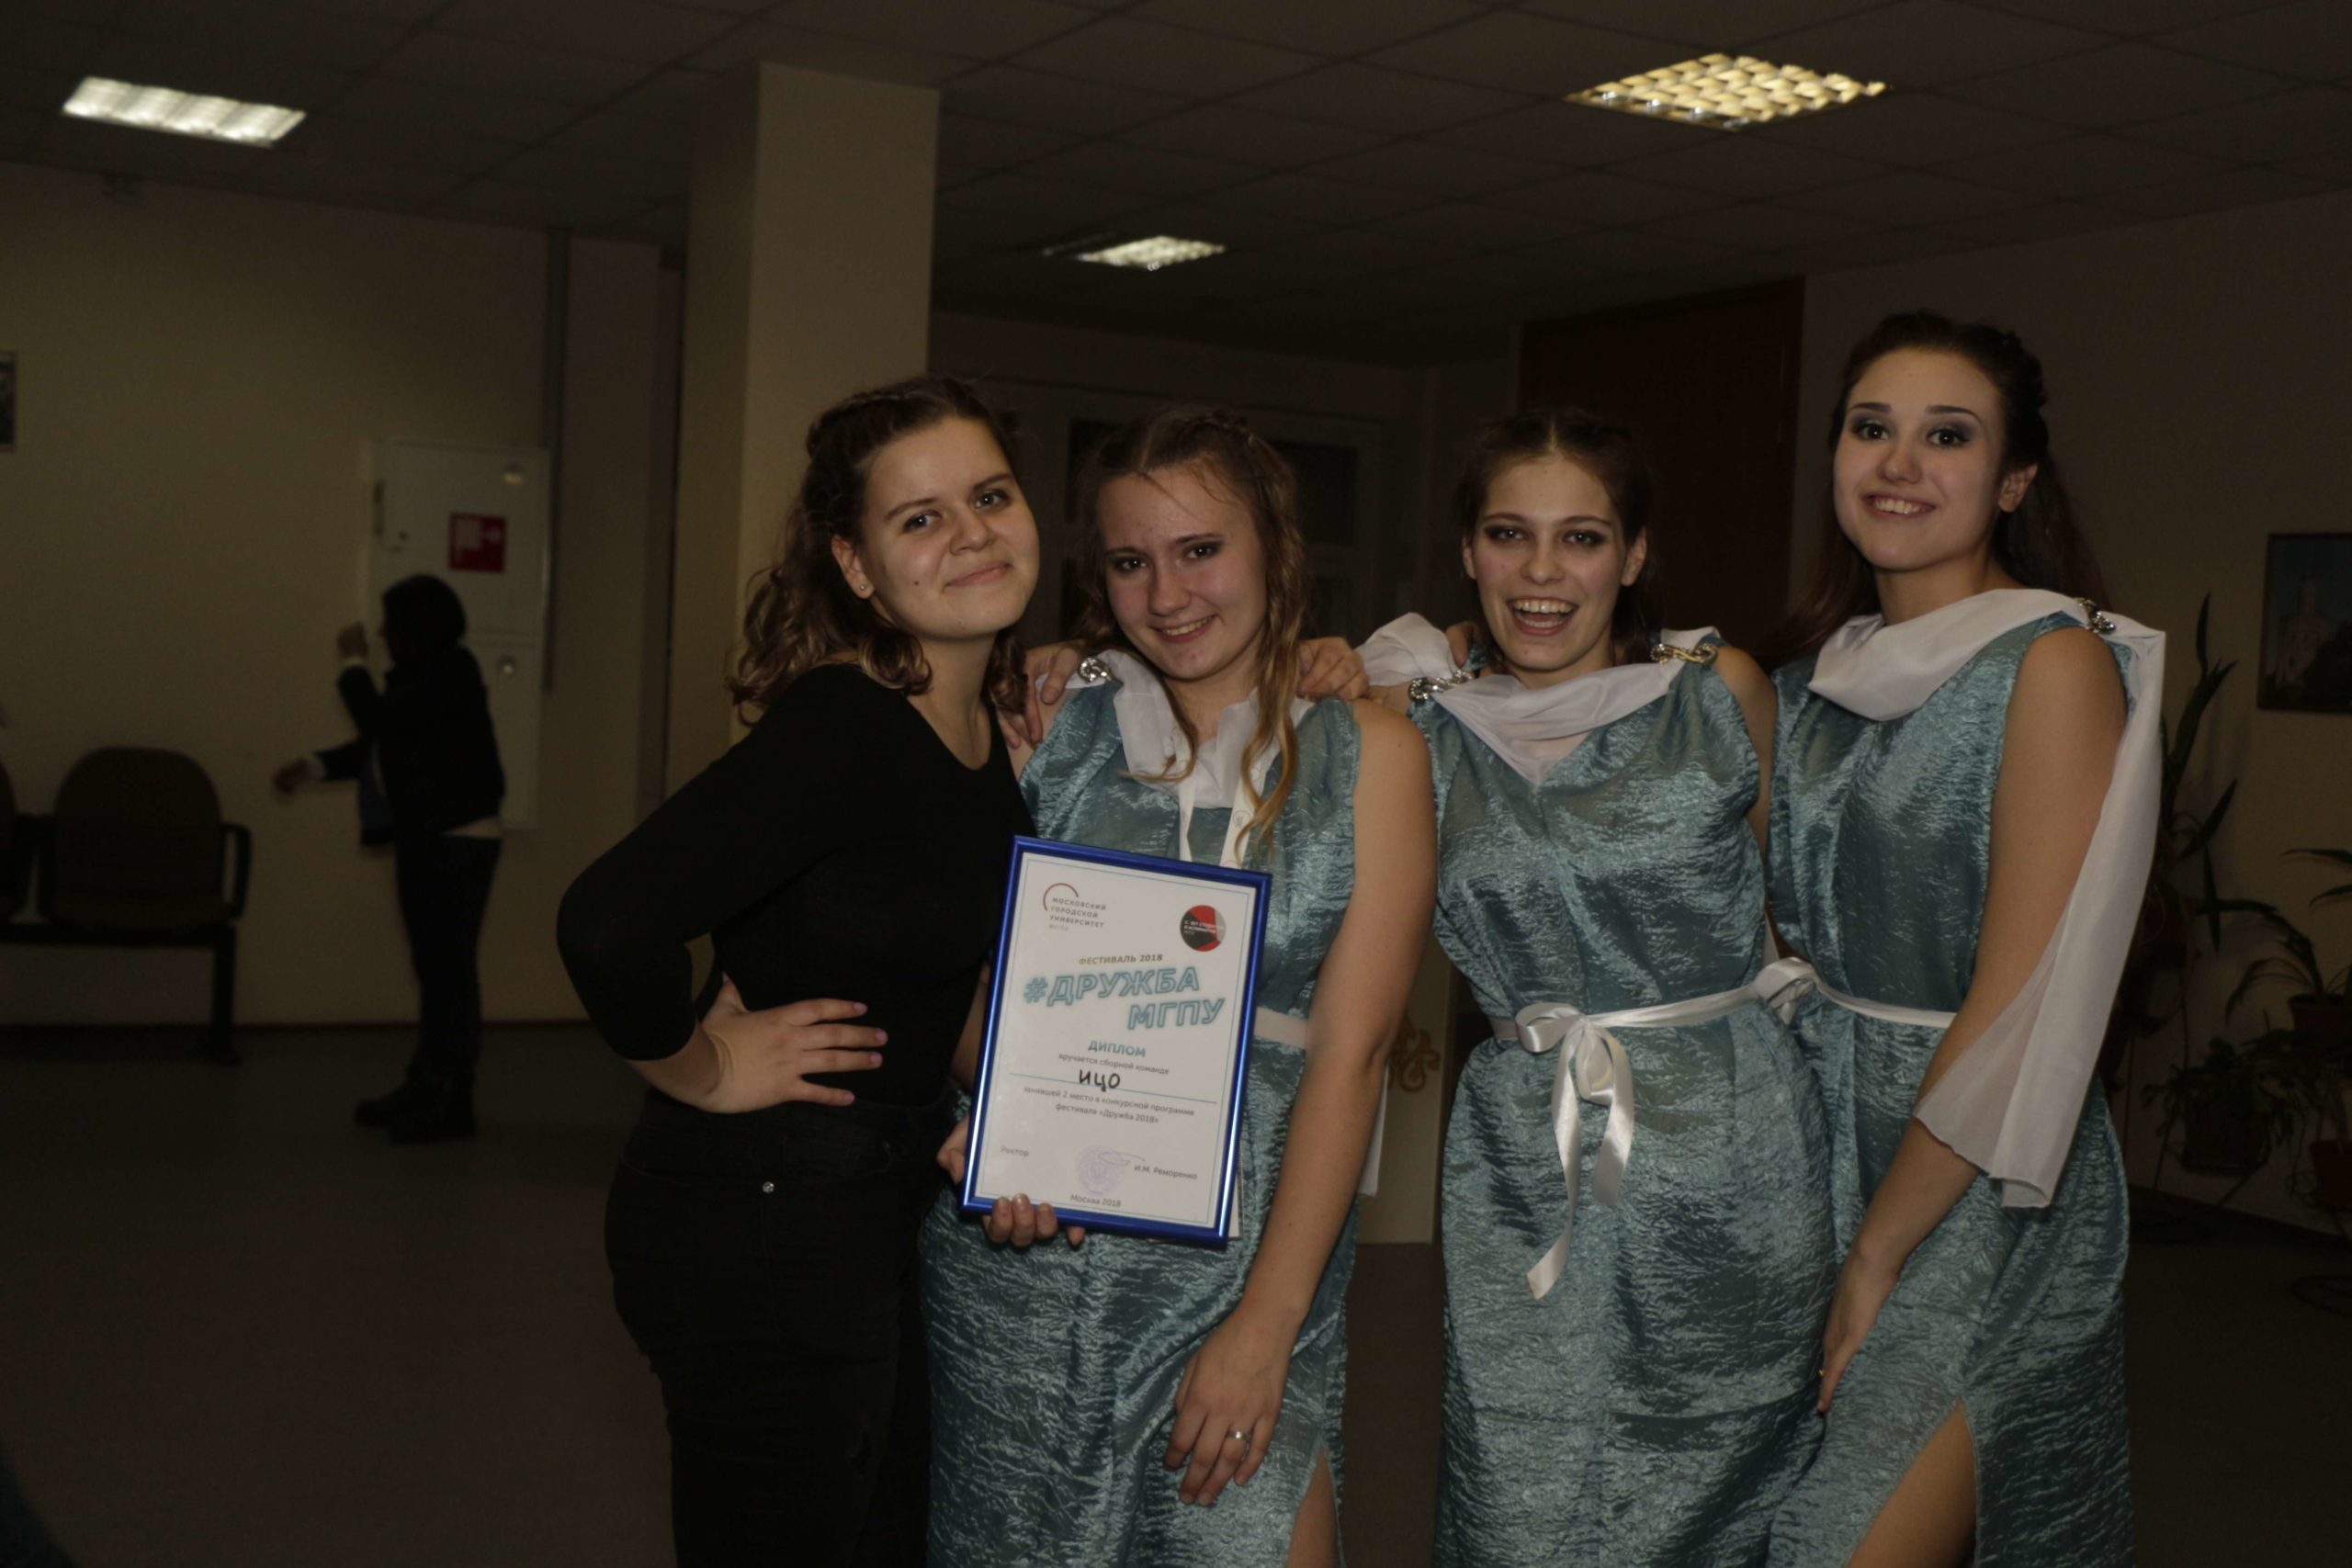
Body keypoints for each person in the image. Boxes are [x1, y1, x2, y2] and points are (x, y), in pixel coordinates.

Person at [922, 407, 1434, 1567]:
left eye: (1200, 550)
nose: (1167, 595)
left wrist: (1265, 1325)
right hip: (1034, 1263)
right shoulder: (1047, 726)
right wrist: (1005, 1116)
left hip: (1253, 1251)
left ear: (1274, 545)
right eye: (1129, 561)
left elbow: (1352, 1054)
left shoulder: (1369, 753)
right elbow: (964, 978)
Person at [555, 377, 1038, 1567]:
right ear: (856, 566)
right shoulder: (848, 724)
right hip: (759, 1219)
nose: (970, 532)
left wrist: (1030, 1116)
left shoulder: (973, 731)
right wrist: (702, 1066)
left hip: (862, 1204)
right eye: (920, 517)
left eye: (989, 496)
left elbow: (929, 983)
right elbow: (608, 923)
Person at [1358, 409, 1835, 1566]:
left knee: (1725, 1483)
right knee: (1520, 1488)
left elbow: (1792, 918)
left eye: (1580, 538)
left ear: (1633, 555)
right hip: (1524, 1154)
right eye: (1508, 535)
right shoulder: (1411, 718)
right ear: (1468, 552)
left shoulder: (1718, 688)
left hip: (1733, 1154)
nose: (1541, 571)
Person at [1762, 310, 2158, 1567]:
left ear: (2014, 480)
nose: (1898, 463)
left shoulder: (2051, 661)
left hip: (1980, 1168)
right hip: (1815, 1136)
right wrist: (1415, 662)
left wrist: (1880, 1246)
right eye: (1870, 428)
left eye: (1947, 436)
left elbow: (2021, 997)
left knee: (1839, 1537)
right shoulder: (1806, 680)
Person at [274, 574, 504, 1142]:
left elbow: (382, 725)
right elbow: (385, 743)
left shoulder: (450, 670)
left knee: (448, 969)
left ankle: (452, 1095)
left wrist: (352, 664)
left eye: (390, 622)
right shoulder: (425, 677)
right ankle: (427, 1081)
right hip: (430, 837)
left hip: (456, 838)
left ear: (414, 626)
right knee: (435, 967)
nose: (380, 632)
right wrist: (315, 765)